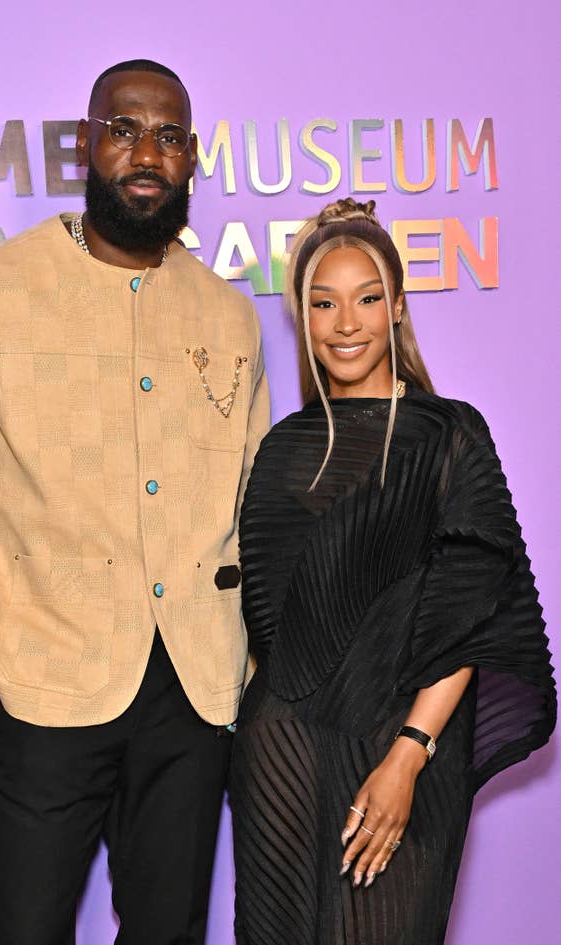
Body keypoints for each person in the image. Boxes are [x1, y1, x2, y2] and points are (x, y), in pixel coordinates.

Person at [0, 59, 269, 945]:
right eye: (124, 129)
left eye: (169, 136)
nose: (147, 153)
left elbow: (254, 508)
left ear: (191, 157)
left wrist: (244, 669)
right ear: (87, 143)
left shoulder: (228, 316)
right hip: (42, 686)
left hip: (194, 695)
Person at [230, 197, 556, 945]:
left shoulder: (450, 436)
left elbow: (471, 616)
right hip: (281, 760)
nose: (346, 323)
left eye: (368, 298)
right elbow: (269, 630)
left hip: (403, 747)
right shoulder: (282, 448)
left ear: (399, 306)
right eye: (324, 303)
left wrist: (408, 755)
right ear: (303, 317)